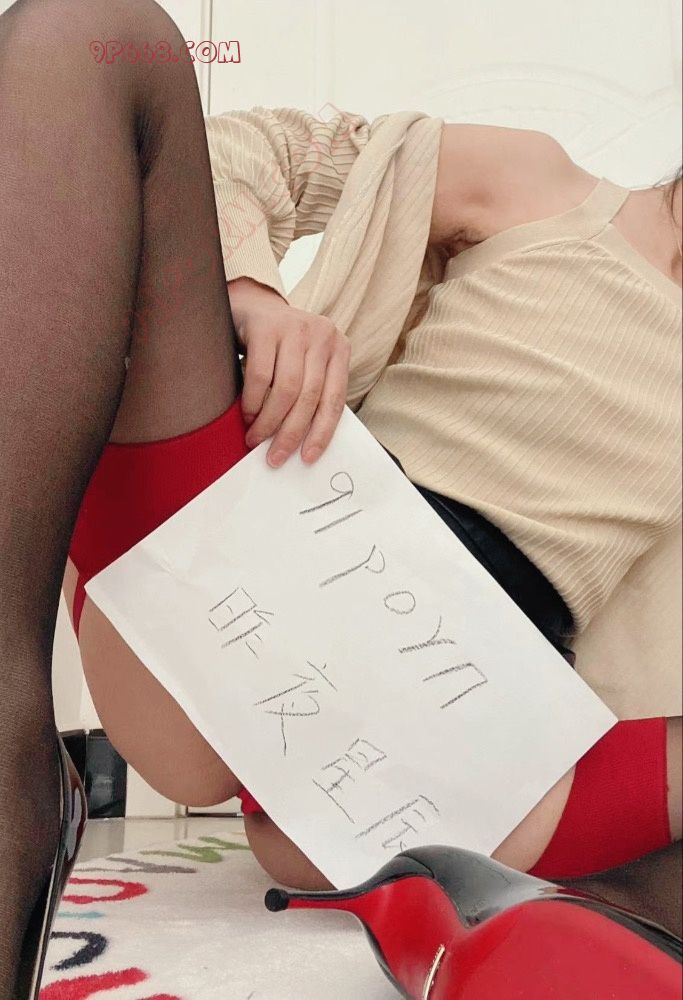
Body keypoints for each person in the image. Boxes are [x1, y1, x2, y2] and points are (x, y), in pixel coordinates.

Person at [0, 0, 680, 996]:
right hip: (249, 578)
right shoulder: (543, 187)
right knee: (89, 35)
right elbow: (251, 155)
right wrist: (250, 292)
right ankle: (15, 727)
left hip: (454, 749)